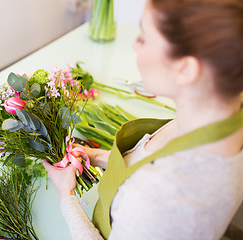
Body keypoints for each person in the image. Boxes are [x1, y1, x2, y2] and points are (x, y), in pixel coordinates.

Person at [42, 0, 243, 239]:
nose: (134, 44)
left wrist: (67, 195)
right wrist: (96, 156)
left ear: (186, 69)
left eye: (144, 38)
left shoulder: (155, 199)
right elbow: (147, 159)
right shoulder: (220, 111)